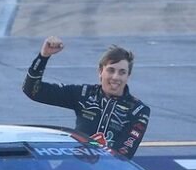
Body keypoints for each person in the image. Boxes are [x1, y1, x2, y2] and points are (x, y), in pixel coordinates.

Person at [22, 37, 151, 159]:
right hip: (76, 168)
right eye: (111, 70)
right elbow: (32, 90)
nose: (116, 77)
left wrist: (94, 147)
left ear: (128, 75)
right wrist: (43, 56)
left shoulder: (139, 110)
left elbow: (123, 155)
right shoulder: (84, 94)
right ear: (100, 71)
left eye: (122, 72)